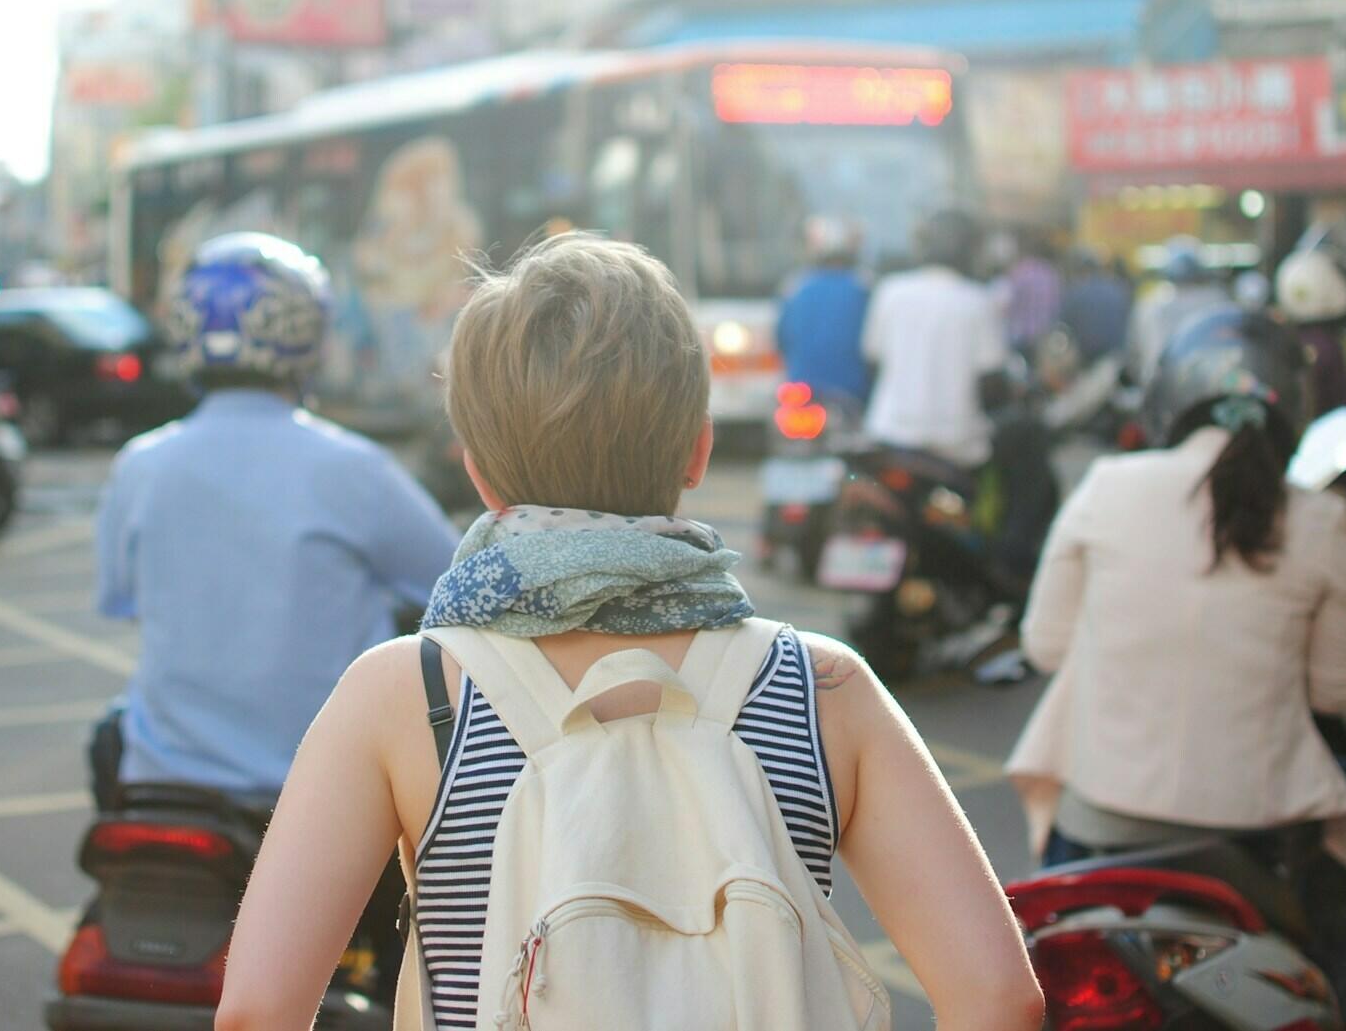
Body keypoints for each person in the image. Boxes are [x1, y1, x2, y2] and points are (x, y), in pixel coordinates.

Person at [213, 234, 1044, 1031]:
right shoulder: (821, 688)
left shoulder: (406, 694)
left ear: (478, 469)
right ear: (699, 451)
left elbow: (257, 1011)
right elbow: (1000, 999)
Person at [1006, 307, 1346, 988]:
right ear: (1293, 409)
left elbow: (1048, 646)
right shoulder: (1323, 519)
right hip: (1255, 834)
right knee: (1334, 966)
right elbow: (1337, 691)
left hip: (1098, 823)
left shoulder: (1109, 485)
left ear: (1169, 399)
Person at [91, 232, 459, 808]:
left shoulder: (140, 465)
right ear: (308, 337)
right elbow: (453, 584)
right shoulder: (351, 467)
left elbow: (121, 599)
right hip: (317, 792)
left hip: (161, 781)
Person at [860, 208, 1009, 471]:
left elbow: (873, 362)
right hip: (956, 446)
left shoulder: (890, 292)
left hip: (890, 435)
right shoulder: (978, 301)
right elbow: (992, 383)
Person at [773, 216, 871, 415]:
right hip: (853, 391)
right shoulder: (865, 287)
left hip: (800, 390)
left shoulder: (794, 287)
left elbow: (781, 340)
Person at [1124, 235, 1231, 390]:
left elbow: (1133, 356)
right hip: (1189, 388)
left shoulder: (1150, 302)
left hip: (1177, 388)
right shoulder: (1216, 298)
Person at [1056, 248, 1132, 365]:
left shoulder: (1076, 292)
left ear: (1082, 270)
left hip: (1085, 359)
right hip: (1115, 359)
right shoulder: (1118, 290)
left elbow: (1063, 326)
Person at [1001, 229, 1062, 354]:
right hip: (1043, 337)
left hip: (1020, 336)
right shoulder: (1051, 274)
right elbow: (1057, 306)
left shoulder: (1019, 271)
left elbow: (1007, 303)